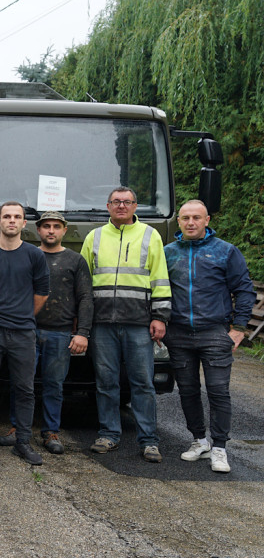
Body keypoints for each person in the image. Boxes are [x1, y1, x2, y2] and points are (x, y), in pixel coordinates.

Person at [163, 200, 255, 473]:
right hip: (178, 333)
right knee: (188, 390)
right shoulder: (168, 253)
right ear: (178, 221)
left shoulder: (225, 252)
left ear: (207, 220)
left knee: (218, 391)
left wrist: (238, 328)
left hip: (215, 332)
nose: (191, 223)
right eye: (185, 218)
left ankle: (220, 448)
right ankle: (199, 440)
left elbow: (244, 289)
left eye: (196, 218)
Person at [80, 187, 170, 463]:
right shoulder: (94, 237)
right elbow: (83, 283)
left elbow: (160, 278)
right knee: (106, 382)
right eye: (116, 202)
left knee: (142, 383)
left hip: (138, 323)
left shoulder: (149, 235)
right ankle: (109, 434)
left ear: (135, 206)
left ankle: (149, 441)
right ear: (108, 206)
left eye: (126, 202)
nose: (121, 206)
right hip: (102, 324)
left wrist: (160, 317)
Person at [0, 202, 49, 466]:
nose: (12, 221)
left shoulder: (34, 256)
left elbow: (42, 293)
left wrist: (23, 315)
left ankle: (23, 442)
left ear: (24, 223)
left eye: (17, 217)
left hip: (24, 331)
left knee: (25, 389)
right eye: (7, 216)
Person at [29, 210, 92, 454]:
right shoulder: (29, 256)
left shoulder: (75, 261)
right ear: (39, 230)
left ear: (64, 230)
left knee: (54, 385)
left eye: (56, 226)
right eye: (46, 226)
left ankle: (50, 431)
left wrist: (82, 332)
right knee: (22, 382)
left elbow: (85, 297)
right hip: (28, 330)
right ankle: (17, 427)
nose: (51, 230)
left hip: (61, 333)